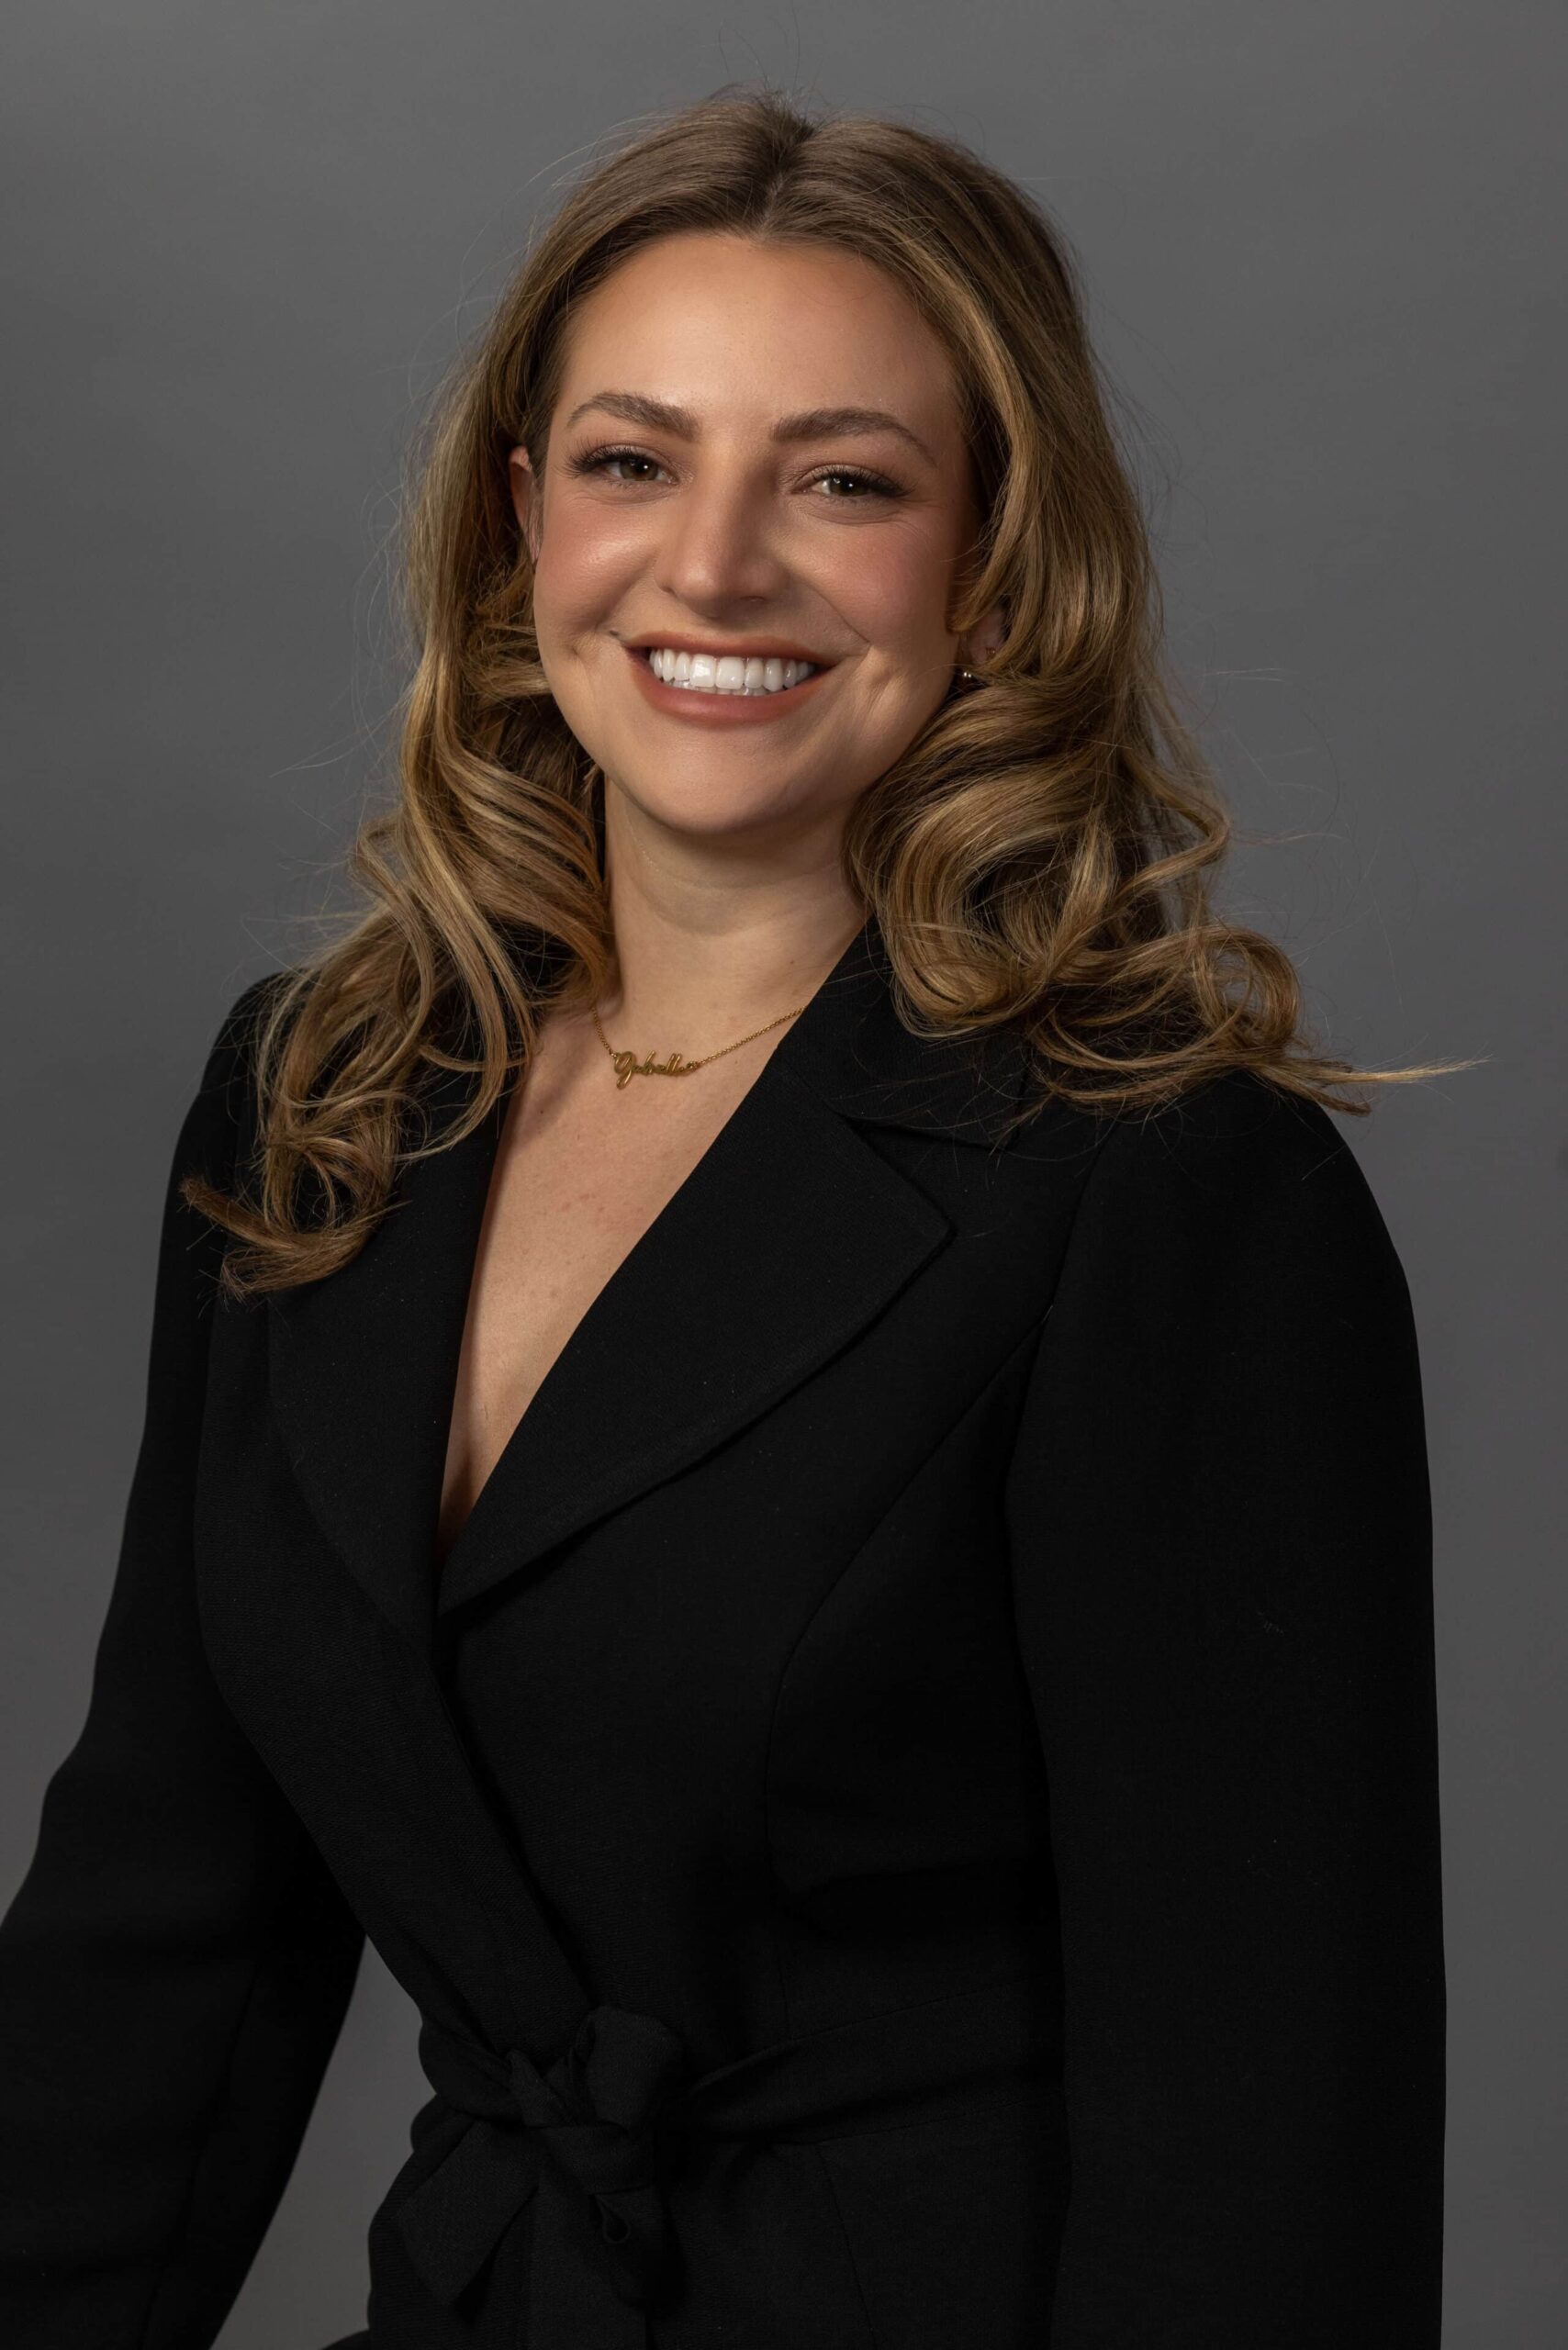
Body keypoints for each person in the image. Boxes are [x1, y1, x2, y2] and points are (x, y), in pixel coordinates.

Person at [0, 84, 1451, 2350]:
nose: (710, 565)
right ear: (519, 524)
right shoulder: (322, 1094)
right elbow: (159, 1935)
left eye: (844, 479)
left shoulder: (1165, 1191)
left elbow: (1267, 2146)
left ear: (989, 572)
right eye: (630, 458)